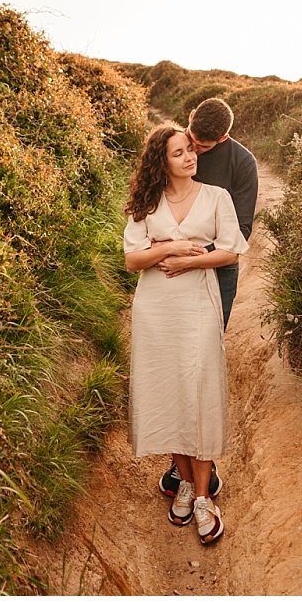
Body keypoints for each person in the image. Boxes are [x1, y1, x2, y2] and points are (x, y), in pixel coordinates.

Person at [123, 123, 248, 545]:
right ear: (163, 161)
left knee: (200, 389)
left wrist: (191, 263)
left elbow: (230, 250)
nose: (190, 158)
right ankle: (189, 486)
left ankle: (204, 498)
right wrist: (172, 249)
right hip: (155, 309)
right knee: (168, 391)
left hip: (197, 303)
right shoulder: (147, 201)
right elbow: (132, 259)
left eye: (191, 150)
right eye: (179, 153)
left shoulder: (217, 197)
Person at [157, 98, 259, 499]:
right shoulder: (178, 145)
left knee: (201, 360)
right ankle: (182, 460)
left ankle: (202, 462)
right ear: (190, 119)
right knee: (174, 359)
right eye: (190, 138)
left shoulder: (242, 164)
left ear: (224, 137)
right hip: (169, 269)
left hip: (218, 271)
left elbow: (243, 231)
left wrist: (193, 255)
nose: (193, 151)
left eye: (201, 145)